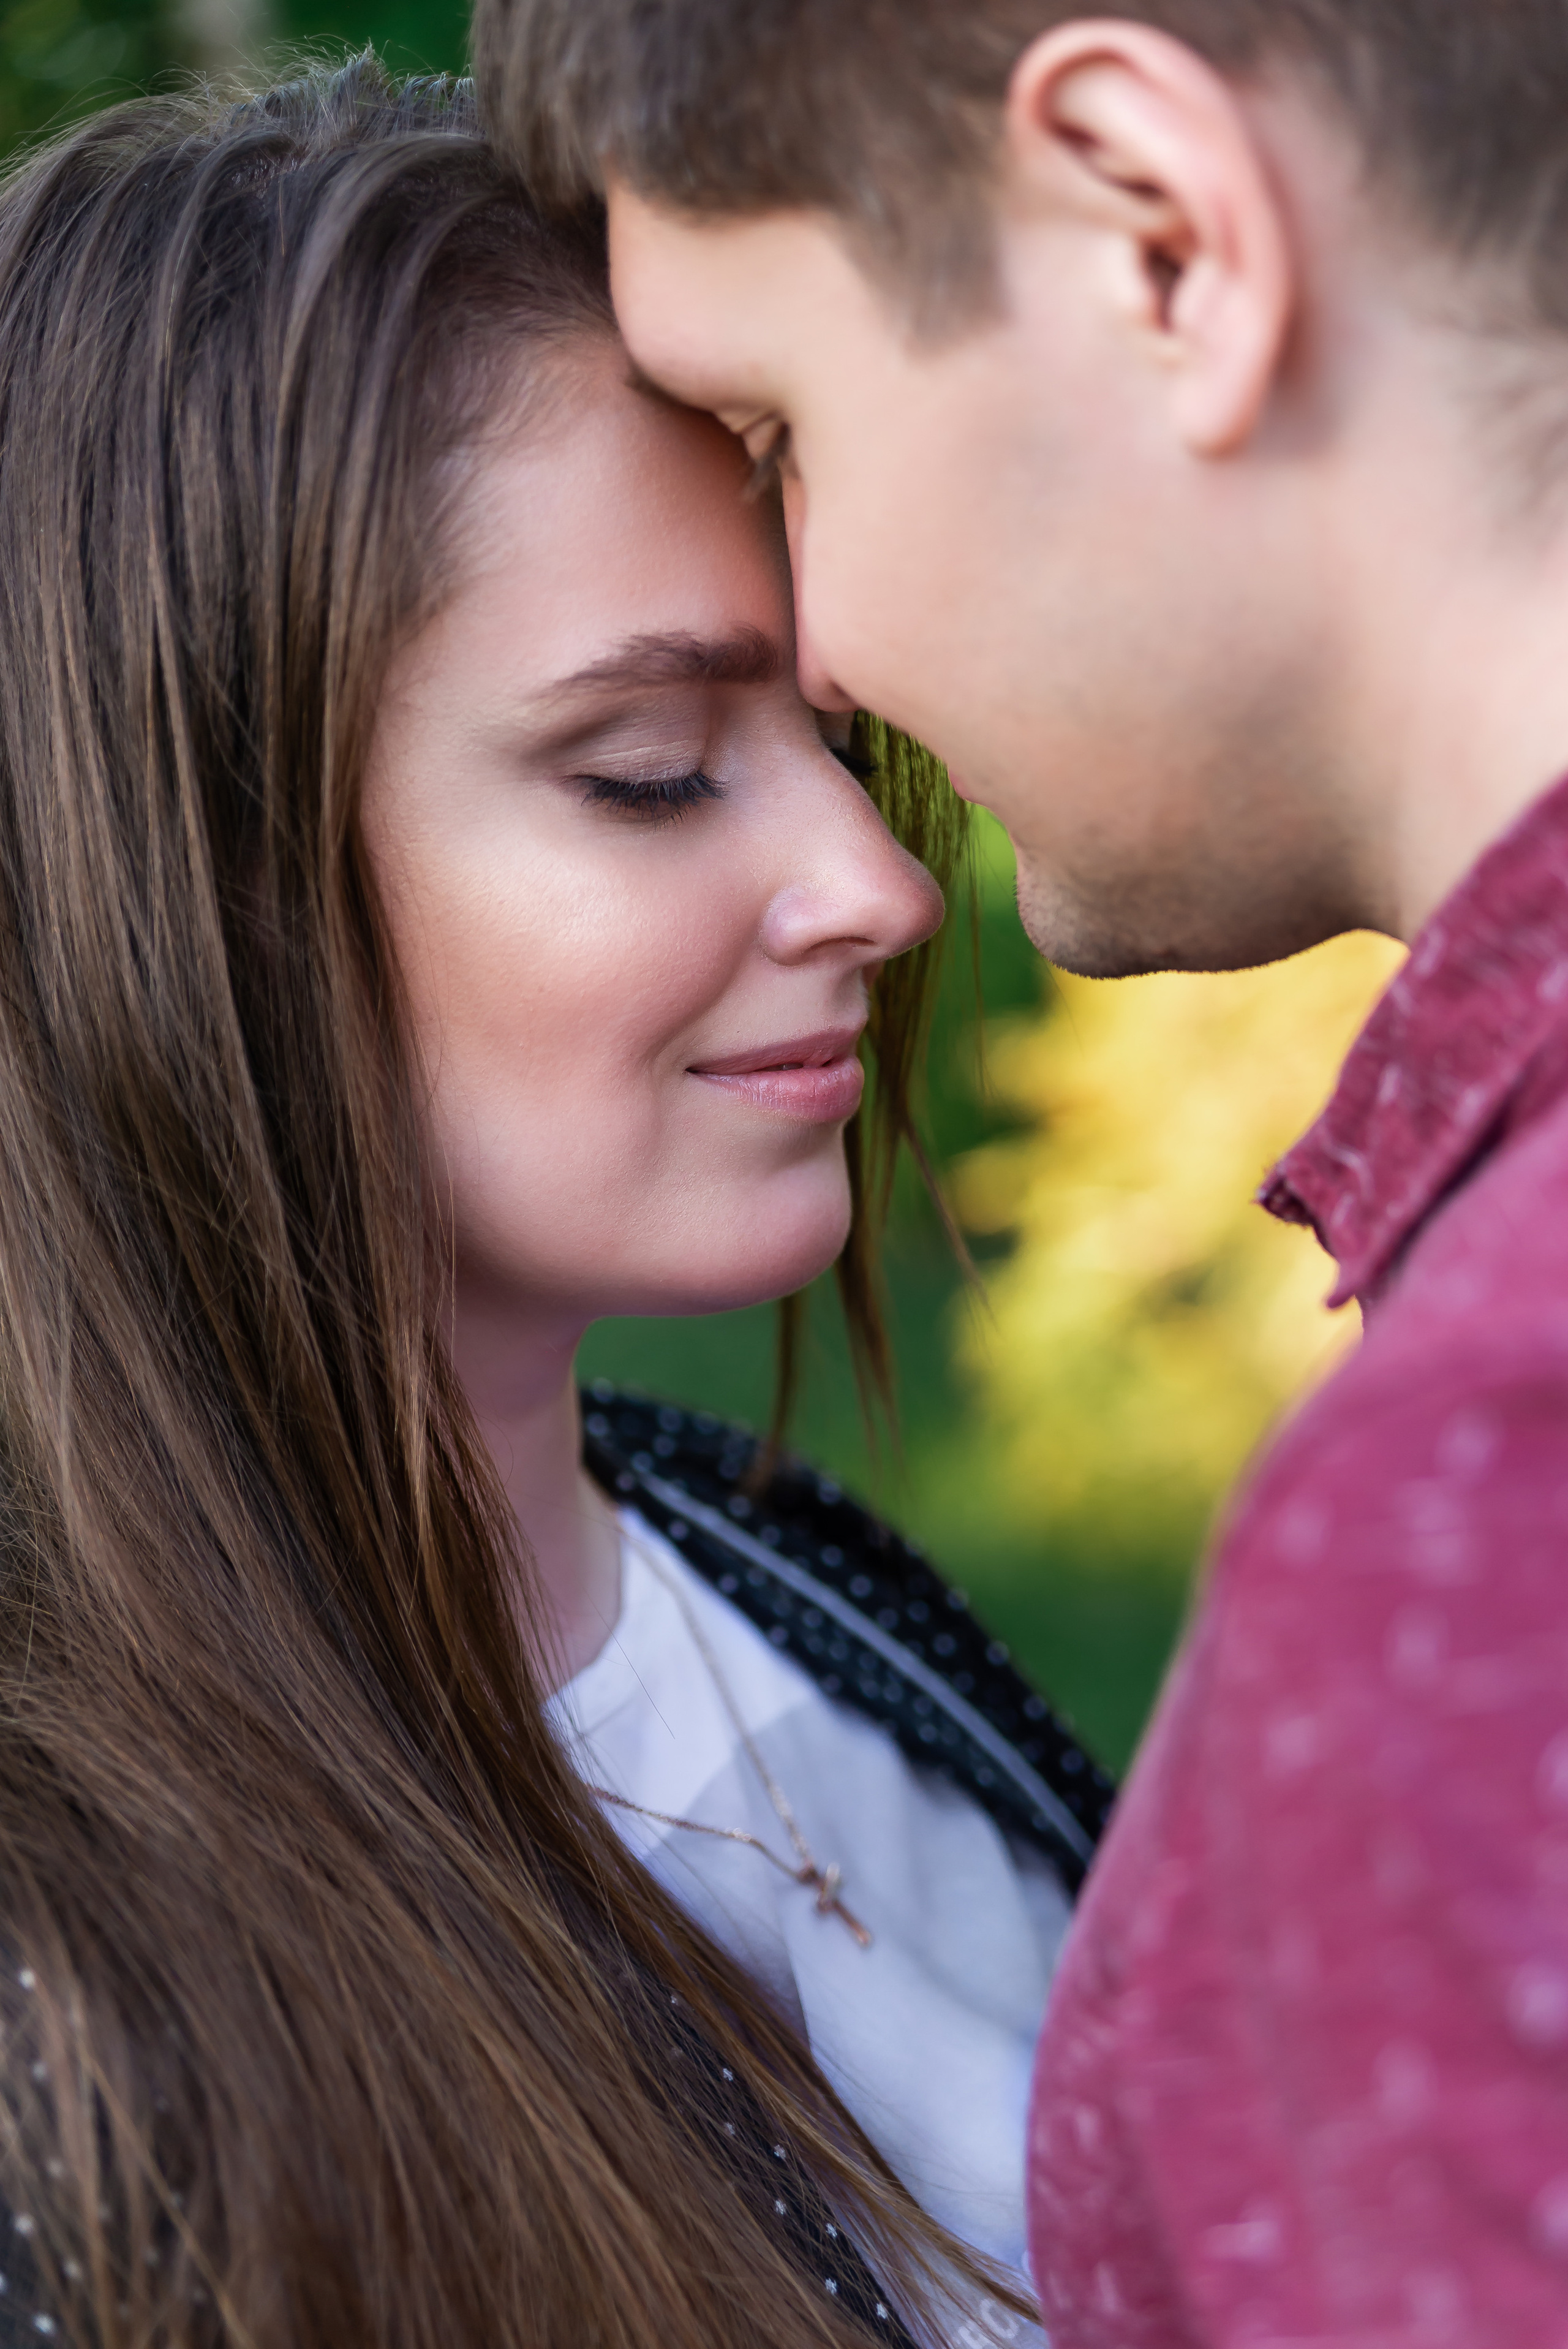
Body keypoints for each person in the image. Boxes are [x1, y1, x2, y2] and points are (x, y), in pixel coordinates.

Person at [475, 1, 1568, 2342]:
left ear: (1161, 238)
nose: (849, 692)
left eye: (787, 427)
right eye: (656, 764)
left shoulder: (1479, 1515)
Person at [0, 50, 1110, 2349]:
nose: (885, 883)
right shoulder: (70, 2046)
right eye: (648, 771)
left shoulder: (802, 1582)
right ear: (178, 887)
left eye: (829, 732)